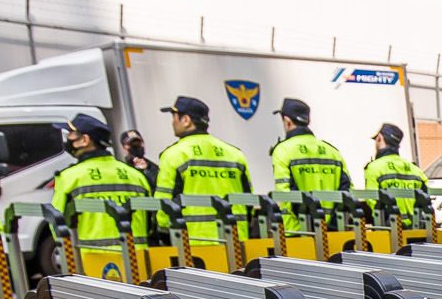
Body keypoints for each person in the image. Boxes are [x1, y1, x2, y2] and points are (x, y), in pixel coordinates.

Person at [52, 113, 152, 267]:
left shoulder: (69, 178)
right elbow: (150, 224)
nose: (68, 139)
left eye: (71, 134)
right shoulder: (136, 176)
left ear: (84, 140)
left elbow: (57, 224)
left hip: (92, 265)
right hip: (136, 263)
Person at [154, 95, 253, 245]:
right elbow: (248, 201)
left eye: (174, 117)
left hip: (194, 245)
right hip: (236, 242)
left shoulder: (174, 155)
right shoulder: (235, 154)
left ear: (186, 120)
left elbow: (164, 204)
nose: (173, 122)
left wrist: (165, 236)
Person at [269, 98, 351, 233]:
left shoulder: (283, 150)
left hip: (298, 233)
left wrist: (311, 227)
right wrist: (331, 228)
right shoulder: (332, 152)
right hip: (333, 233)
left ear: (287, 120)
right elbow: (346, 192)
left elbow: (287, 196)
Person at [361, 123, 427, 225]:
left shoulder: (374, 168)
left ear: (379, 138)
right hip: (417, 230)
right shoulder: (415, 169)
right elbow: (425, 200)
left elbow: (372, 201)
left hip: (389, 229)